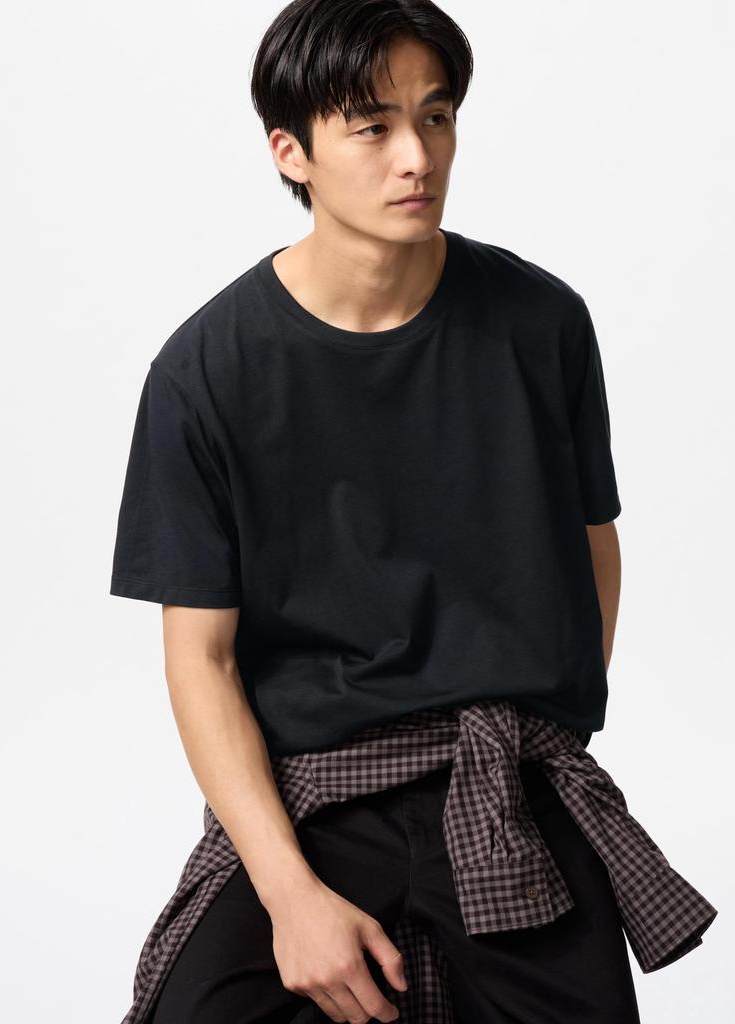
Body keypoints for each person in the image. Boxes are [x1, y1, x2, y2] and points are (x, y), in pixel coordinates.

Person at [109, 2, 717, 1022]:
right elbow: (200, 661)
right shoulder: (206, 372)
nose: (417, 157)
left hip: (504, 772)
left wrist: (543, 735)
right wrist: (289, 895)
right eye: (373, 127)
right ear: (291, 153)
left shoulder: (542, 324)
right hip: (313, 791)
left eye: (436, 118)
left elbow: (592, 551)